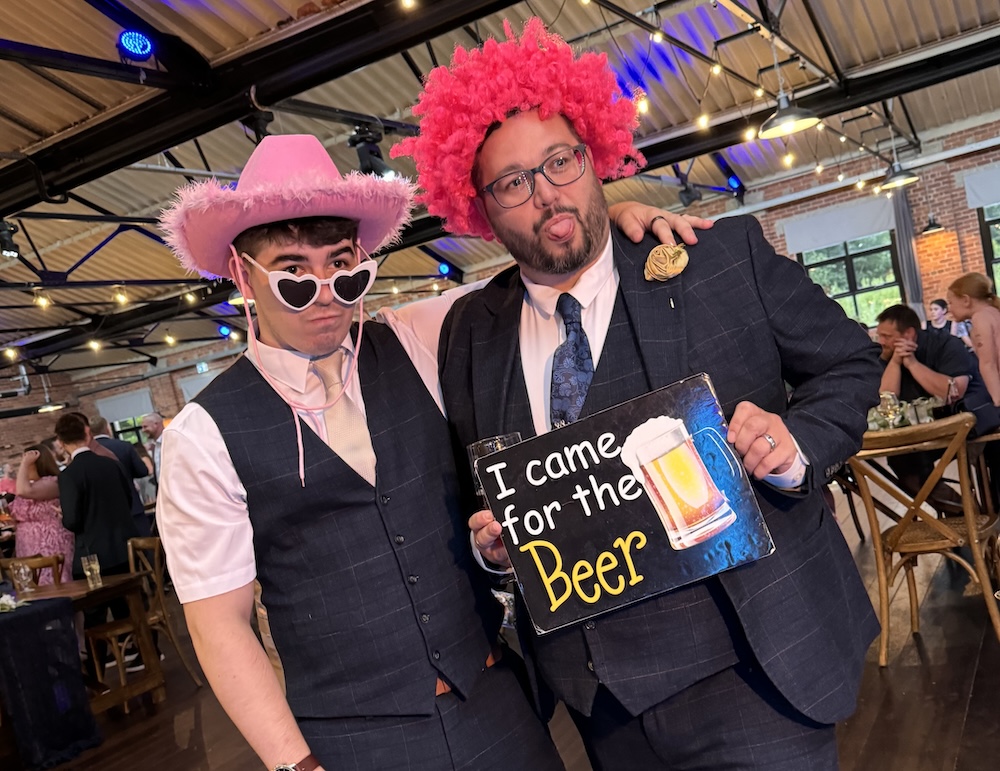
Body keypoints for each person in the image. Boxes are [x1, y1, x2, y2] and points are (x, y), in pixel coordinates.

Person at [395, 19, 883, 770]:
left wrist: (796, 442)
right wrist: (494, 548)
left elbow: (850, 361)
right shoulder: (468, 330)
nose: (547, 194)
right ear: (480, 205)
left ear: (594, 156)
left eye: (560, 161)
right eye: (513, 182)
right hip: (602, 710)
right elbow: (478, 487)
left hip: (756, 675)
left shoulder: (718, 257)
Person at [156, 131, 702, 771]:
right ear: (243, 277)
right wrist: (292, 764)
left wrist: (617, 224)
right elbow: (221, 625)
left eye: (344, 265)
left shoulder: (418, 340)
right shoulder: (203, 435)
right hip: (355, 742)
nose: (328, 293)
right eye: (295, 277)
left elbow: (545, 274)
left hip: (494, 703)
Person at [55, 413, 138, 581]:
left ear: (61, 443)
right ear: (87, 435)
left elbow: (72, 521)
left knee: (93, 604)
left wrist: (63, 516)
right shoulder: (112, 464)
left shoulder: (69, 475)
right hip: (126, 548)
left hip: (93, 555)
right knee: (130, 602)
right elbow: (128, 499)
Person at [12, 445, 73, 584]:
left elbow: (23, 491)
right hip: (28, 545)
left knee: (52, 582)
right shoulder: (32, 484)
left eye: (27, 464)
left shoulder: (52, 482)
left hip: (49, 544)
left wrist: (24, 463)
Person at [91, 416, 153, 537]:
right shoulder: (124, 446)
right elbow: (142, 471)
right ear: (107, 429)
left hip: (106, 514)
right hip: (132, 506)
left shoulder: (89, 452)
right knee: (146, 546)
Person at [140, 413, 165, 483]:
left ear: (156, 424)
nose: (143, 430)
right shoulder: (154, 446)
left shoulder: (170, 440)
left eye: (145, 427)